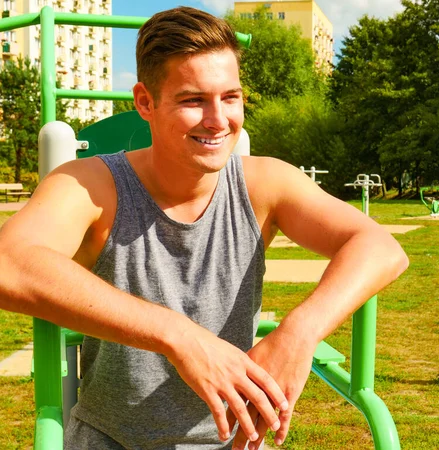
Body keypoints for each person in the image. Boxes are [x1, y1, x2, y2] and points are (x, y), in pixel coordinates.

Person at [0, 6, 408, 450]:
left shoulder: (263, 183)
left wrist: (299, 332)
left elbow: (379, 247)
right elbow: (8, 264)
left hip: (233, 441)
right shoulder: (92, 185)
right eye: (194, 100)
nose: (219, 120)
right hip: (112, 439)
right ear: (145, 102)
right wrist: (181, 338)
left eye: (230, 97)